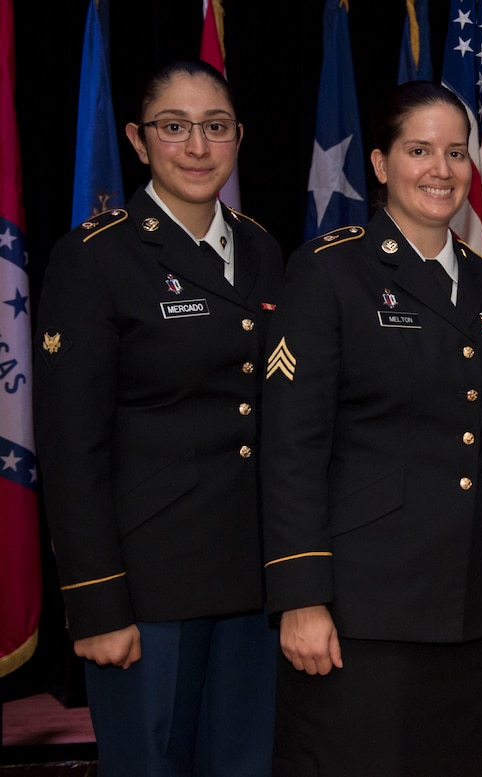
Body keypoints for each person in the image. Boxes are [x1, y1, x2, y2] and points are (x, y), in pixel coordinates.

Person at [260, 80, 482, 776]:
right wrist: (301, 597)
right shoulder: (329, 272)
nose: (441, 168)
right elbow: (292, 446)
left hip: (470, 611)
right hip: (362, 612)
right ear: (379, 164)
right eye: (419, 149)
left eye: (457, 152)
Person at [33, 59, 284, 776]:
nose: (198, 147)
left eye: (216, 128)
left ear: (238, 137)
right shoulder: (96, 258)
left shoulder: (264, 250)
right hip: (148, 590)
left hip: (252, 580)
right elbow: (70, 447)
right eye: (175, 128)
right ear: (139, 141)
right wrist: (95, 602)